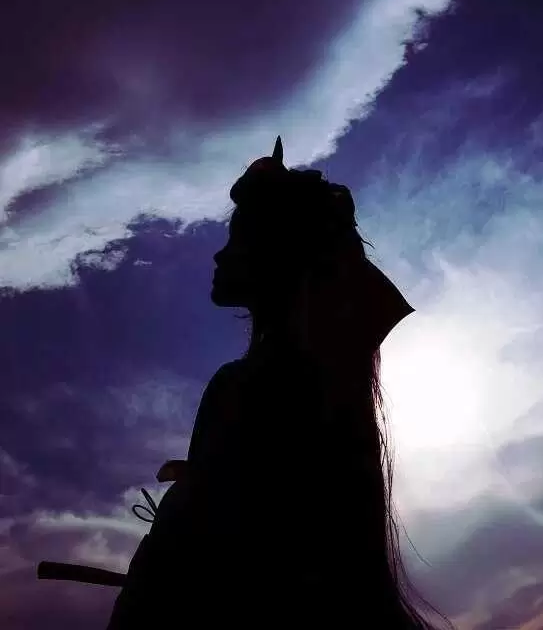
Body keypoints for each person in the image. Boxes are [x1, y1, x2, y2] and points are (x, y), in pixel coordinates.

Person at [106, 137, 443, 628]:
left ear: (276, 255)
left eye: (236, 240)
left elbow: (208, 550)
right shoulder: (325, 392)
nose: (219, 255)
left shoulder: (245, 386)